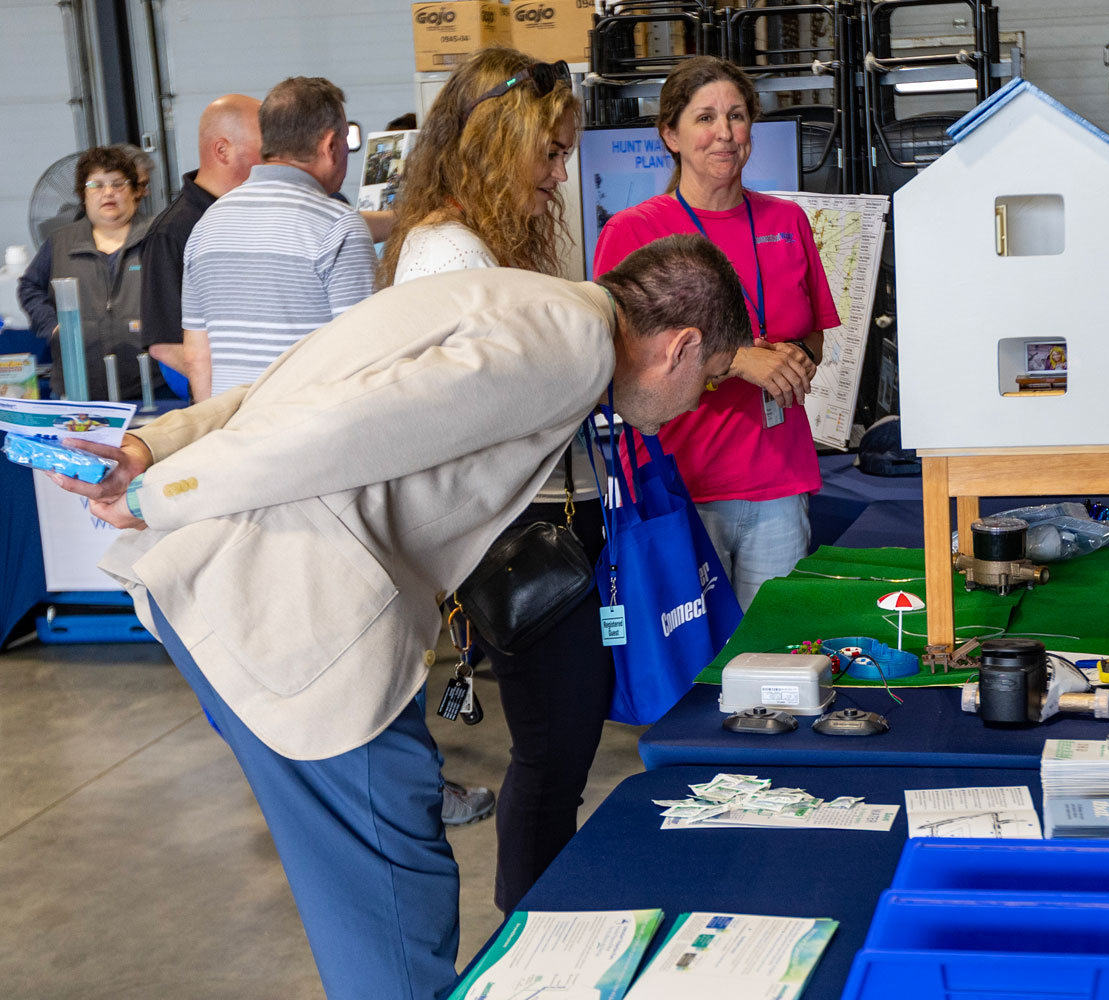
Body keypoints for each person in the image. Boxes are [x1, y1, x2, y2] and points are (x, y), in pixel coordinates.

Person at [49, 234, 749, 1000]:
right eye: (710, 379)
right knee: (393, 887)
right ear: (680, 347)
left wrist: (154, 446)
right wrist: (160, 491)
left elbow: (289, 387)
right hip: (289, 612)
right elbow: (333, 428)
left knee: (371, 880)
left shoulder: (516, 295)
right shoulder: (573, 345)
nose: (699, 400)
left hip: (231, 593)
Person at [379, 45, 604, 902]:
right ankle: (533, 927)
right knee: (553, 747)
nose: (556, 175)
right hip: (519, 535)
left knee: (565, 742)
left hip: (549, 520)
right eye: (547, 154)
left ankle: (542, 912)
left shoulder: (487, 243)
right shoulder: (448, 255)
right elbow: (464, 416)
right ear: (497, 143)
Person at [593, 56, 841, 609]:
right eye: (705, 118)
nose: (724, 133)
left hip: (779, 483)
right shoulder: (632, 232)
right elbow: (619, 364)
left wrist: (795, 358)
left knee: (773, 659)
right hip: (679, 485)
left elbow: (815, 334)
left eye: (736, 116)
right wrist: (737, 361)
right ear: (670, 135)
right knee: (693, 668)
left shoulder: (787, 222)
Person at [180, 76, 374, 400]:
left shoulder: (206, 226)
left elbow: (197, 358)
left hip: (233, 433)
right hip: (310, 437)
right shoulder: (340, 226)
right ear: (330, 146)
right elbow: (362, 356)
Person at [139, 95, 263, 384]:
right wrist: (243, 385)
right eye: (266, 147)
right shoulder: (172, 233)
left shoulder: (261, 212)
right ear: (222, 150)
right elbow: (166, 345)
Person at [18, 145, 157, 400]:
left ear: (136, 191)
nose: (108, 193)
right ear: (83, 194)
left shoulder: (158, 237)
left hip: (151, 387)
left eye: (118, 184)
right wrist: (52, 326)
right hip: (78, 386)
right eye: (96, 185)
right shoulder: (60, 242)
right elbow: (29, 287)